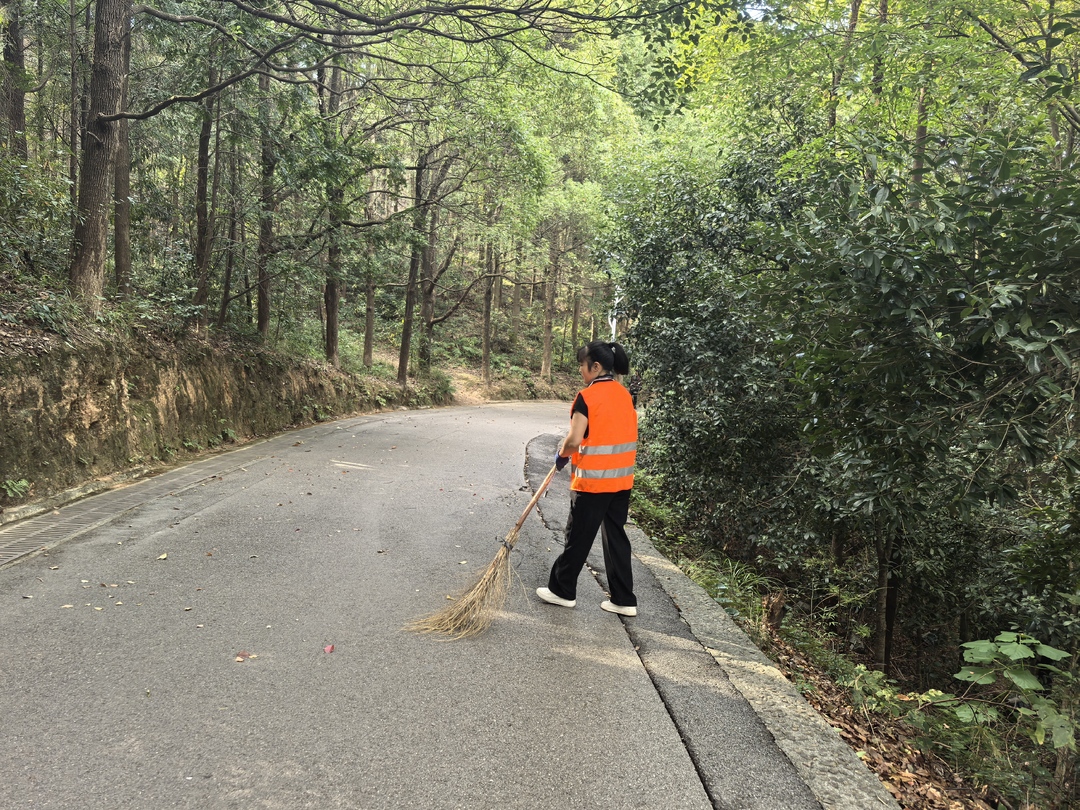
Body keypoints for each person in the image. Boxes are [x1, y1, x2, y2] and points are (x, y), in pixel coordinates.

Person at [537, 340, 639, 617]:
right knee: (616, 536)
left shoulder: (588, 397)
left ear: (595, 367)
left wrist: (562, 453)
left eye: (582, 366)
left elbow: (574, 439)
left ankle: (562, 590)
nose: (581, 371)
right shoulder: (624, 395)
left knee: (578, 536)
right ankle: (624, 599)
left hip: (593, 482)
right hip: (621, 481)